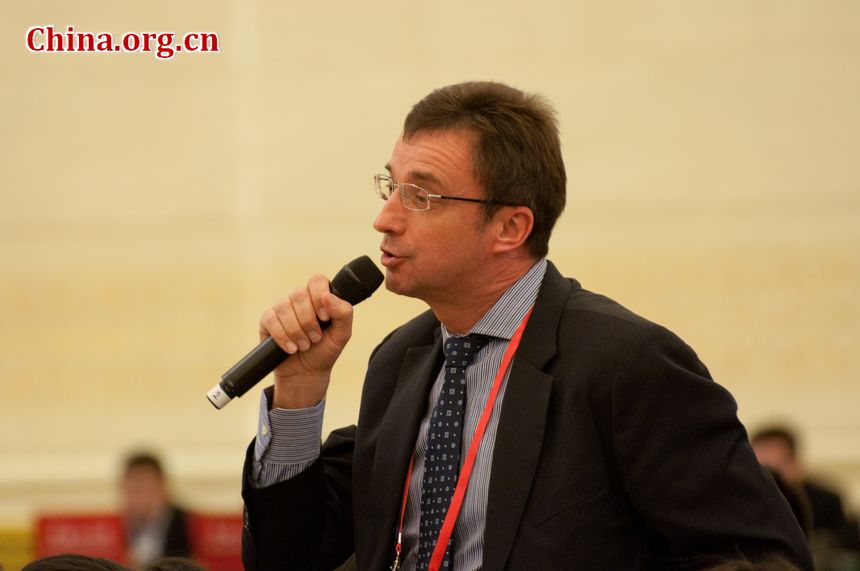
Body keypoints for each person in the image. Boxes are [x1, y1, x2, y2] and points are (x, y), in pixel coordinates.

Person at [240, 81, 813, 570]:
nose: (384, 218)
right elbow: (289, 556)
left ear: (510, 227)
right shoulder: (400, 359)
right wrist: (298, 394)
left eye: (420, 194)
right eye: (391, 186)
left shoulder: (623, 361)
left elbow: (761, 556)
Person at [121, 452, 191, 568]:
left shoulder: (187, 523)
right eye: (132, 489)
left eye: (142, 488)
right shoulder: (119, 525)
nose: (137, 497)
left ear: (162, 486)